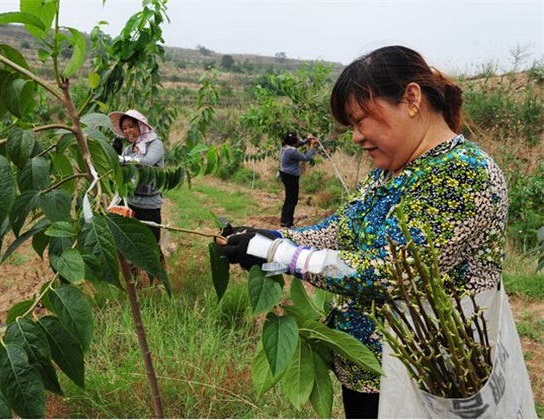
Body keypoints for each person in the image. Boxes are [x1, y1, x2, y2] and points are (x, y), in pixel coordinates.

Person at [219, 45, 508, 419]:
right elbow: (340, 230)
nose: (356, 137)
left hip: (425, 383)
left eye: (360, 121)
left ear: (411, 99)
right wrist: (271, 238)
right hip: (371, 374)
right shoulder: (392, 169)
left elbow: (391, 273)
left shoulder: (463, 173)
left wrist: (280, 256)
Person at [109, 109, 165, 244]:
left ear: (141, 126)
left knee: (151, 243)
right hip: (131, 201)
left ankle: (158, 264)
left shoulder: (155, 144)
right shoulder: (128, 150)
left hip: (149, 204)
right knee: (132, 242)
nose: (128, 131)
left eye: (131, 126)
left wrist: (120, 159)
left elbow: (147, 162)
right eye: (124, 128)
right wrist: (114, 153)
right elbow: (122, 173)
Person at [278, 132, 319, 227]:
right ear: (294, 142)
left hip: (285, 174)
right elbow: (306, 157)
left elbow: (298, 144)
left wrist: (307, 140)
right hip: (291, 177)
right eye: (298, 138)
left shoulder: (285, 146)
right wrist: (312, 146)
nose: (299, 139)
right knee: (292, 200)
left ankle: (284, 221)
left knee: (288, 199)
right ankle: (289, 224)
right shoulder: (292, 151)